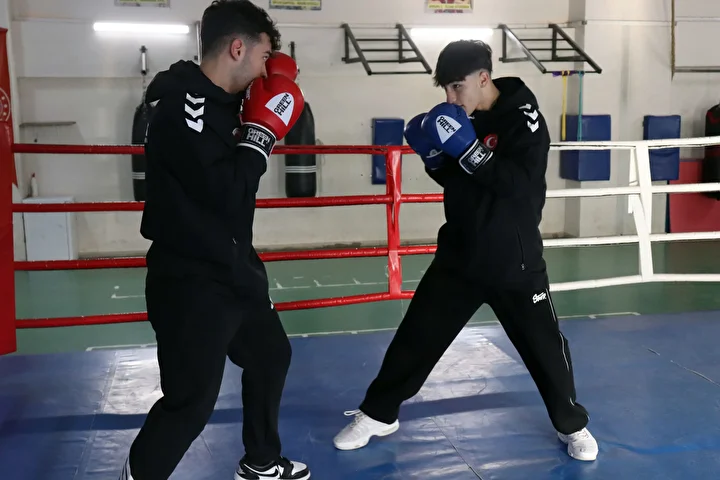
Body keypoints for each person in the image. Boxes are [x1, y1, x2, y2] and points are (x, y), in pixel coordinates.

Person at [332, 39, 599, 462]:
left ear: (483, 78)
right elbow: (458, 182)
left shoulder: (523, 119)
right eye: (445, 89)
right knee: (417, 336)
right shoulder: (459, 117)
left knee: (544, 347)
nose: (450, 97)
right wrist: (436, 160)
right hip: (460, 251)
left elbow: (518, 186)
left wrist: (471, 153)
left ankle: (572, 424)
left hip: (514, 257)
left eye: (457, 87)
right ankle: (379, 413)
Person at [118, 1, 310, 479]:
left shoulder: (232, 102)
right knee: (190, 402)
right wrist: (262, 134)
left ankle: (261, 461)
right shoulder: (186, 107)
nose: (267, 71)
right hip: (192, 279)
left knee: (270, 355)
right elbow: (225, 191)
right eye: (264, 57)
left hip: (234, 268)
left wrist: (257, 125)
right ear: (237, 48)